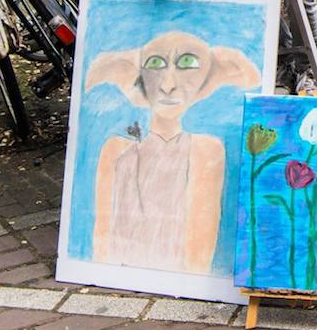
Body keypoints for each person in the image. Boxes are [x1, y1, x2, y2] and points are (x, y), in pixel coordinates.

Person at [86, 31, 260, 272]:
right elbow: (102, 235)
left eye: (187, 63)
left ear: (207, 81)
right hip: (120, 271)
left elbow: (200, 246)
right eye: (155, 63)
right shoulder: (116, 151)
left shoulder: (207, 150)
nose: (168, 85)